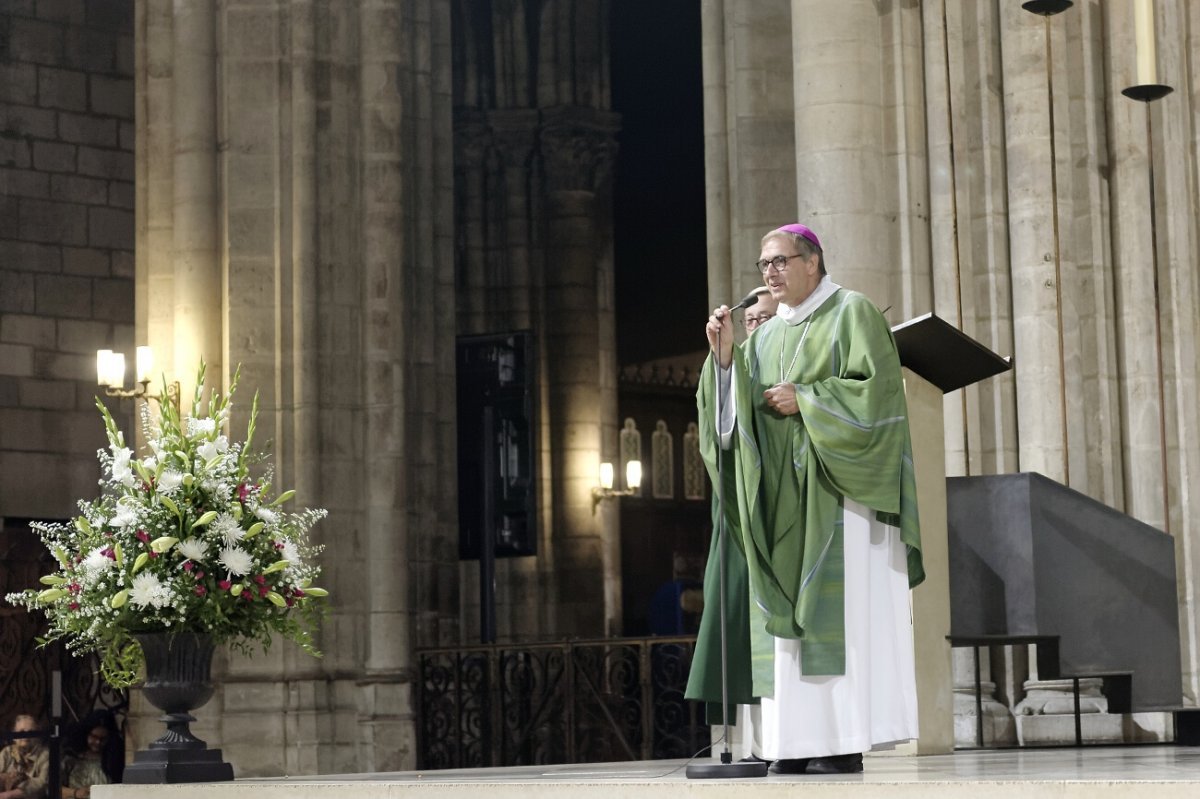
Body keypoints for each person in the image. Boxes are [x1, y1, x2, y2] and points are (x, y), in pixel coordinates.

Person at [685, 223, 923, 775]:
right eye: (763, 265)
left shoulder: (852, 312)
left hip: (841, 499)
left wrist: (810, 400)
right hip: (783, 503)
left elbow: (880, 393)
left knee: (840, 617)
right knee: (788, 632)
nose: (770, 273)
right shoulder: (765, 337)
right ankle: (789, 744)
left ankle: (842, 741)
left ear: (812, 261)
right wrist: (723, 361)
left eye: (780, 262)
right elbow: (734, 419)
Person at [60, 712, 118, 799]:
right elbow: (53, 788)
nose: (98, 742)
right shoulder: (71, 758)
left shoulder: (113, 760)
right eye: (94, 737)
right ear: (86, 734)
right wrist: (75, 793)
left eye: (103, 739)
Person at [0, 715, 48, 799]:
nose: (25, 736)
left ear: (36, 735)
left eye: (30, 732)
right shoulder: (7, 752)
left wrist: (10, 794)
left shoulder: (45, 754)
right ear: (14, 735)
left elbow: (43, 784)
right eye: (21, 731)